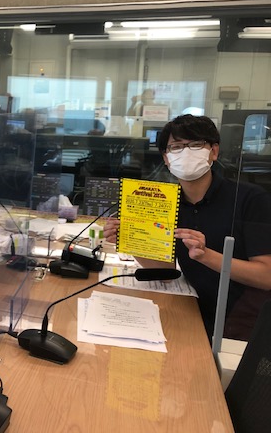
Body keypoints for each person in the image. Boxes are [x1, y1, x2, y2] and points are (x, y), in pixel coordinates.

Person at [103, 114, 271, 341]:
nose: (185, 152)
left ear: (214, 151)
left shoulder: (250, 199)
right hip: (191, 311)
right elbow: (166, 273)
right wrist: (129, 240)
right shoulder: (167, 202)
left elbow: (266, 276)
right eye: (176, 147)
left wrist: (206, 256)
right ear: (166, 158)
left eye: (195, 145)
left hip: (240, 323)